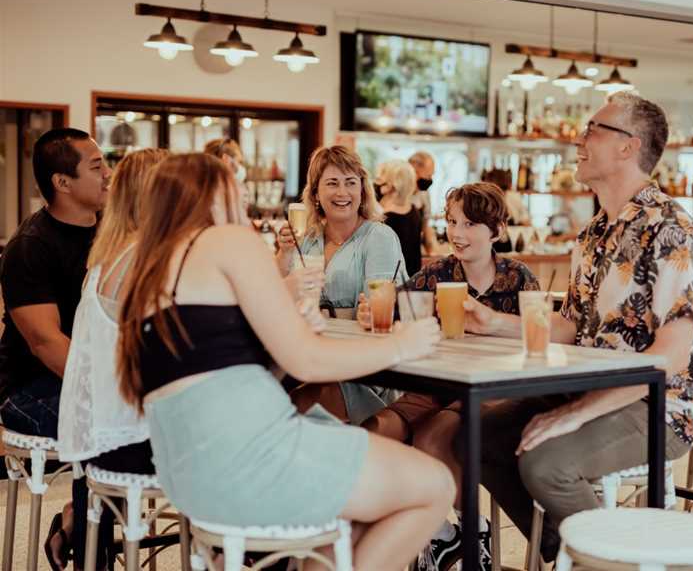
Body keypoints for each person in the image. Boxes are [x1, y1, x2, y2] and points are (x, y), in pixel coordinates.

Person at [115, 153, 453, 571]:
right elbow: (307, 361)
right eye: (234, 186)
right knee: (435, 485)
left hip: (189, 476)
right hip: (252, 459)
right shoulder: (226, 241)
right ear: (212, 194)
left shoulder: (149, 269)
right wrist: (404, 343)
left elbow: (245, 368)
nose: (242, 196)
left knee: (360, 511)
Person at [465, 92, 693, 562]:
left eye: (593, 129)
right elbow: (568, 327)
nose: (578, 139)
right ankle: (567, 543)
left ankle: (609, 559)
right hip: (586, 389)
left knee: (545, 463)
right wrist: (493, 321)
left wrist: (578, 413)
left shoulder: (670, 228)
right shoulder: (593, 234)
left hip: (658, 407)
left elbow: (673, 356)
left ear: (627, 147)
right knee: (476, 433)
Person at [358, 182, 539, 571]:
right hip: (436, 385)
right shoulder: (436, 273)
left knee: (433, 436)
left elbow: (540, 337)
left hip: (492, 388)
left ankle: (472, 532)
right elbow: (396, 310)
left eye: (470, 223)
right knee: (375, 430)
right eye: (452, 221)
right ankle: (439, 532)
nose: (456, 233)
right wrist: (372, 311)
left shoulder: (519, 278)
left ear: (497, 231)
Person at [0, 128, 111, 570]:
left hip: (90, 375)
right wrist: (113, 385)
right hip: (28, 389)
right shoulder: (30, 247)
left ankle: (76, 523)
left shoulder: (110, 229)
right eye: (97, 166)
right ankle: (89, 550)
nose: (109, 175)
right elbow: (47, 344)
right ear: (62, 183)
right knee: (104, 422)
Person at [57, 148, 167, 571]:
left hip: (101, 441)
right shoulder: (149, 262)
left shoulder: (108, 258)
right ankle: (242, 549)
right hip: (132, 443)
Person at [275, 145, 406, 424]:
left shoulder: (378, 237)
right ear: (315, 194)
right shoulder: (307, 238)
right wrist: (283, 255)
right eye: (332, 183)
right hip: (312, 357)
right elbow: (272, 298)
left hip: (363, 368)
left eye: (350, 183)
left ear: (362, 189)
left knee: (297, 404)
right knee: (266, 393)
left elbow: (381, 307)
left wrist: (367, 313)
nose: (342, 193)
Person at [375, 159, 423, 276]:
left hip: (391, 281)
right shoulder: (415, 212)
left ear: (390, 186)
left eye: (380, 180)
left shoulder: (384, 219)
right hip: (413, 279)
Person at [408, 151, 439, 255]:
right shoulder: (397, 194)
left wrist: (431, 252)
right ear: (414, 170)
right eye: (428, 174)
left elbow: (425, 226)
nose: (430, 179)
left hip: (415, 253)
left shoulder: (424, 194)